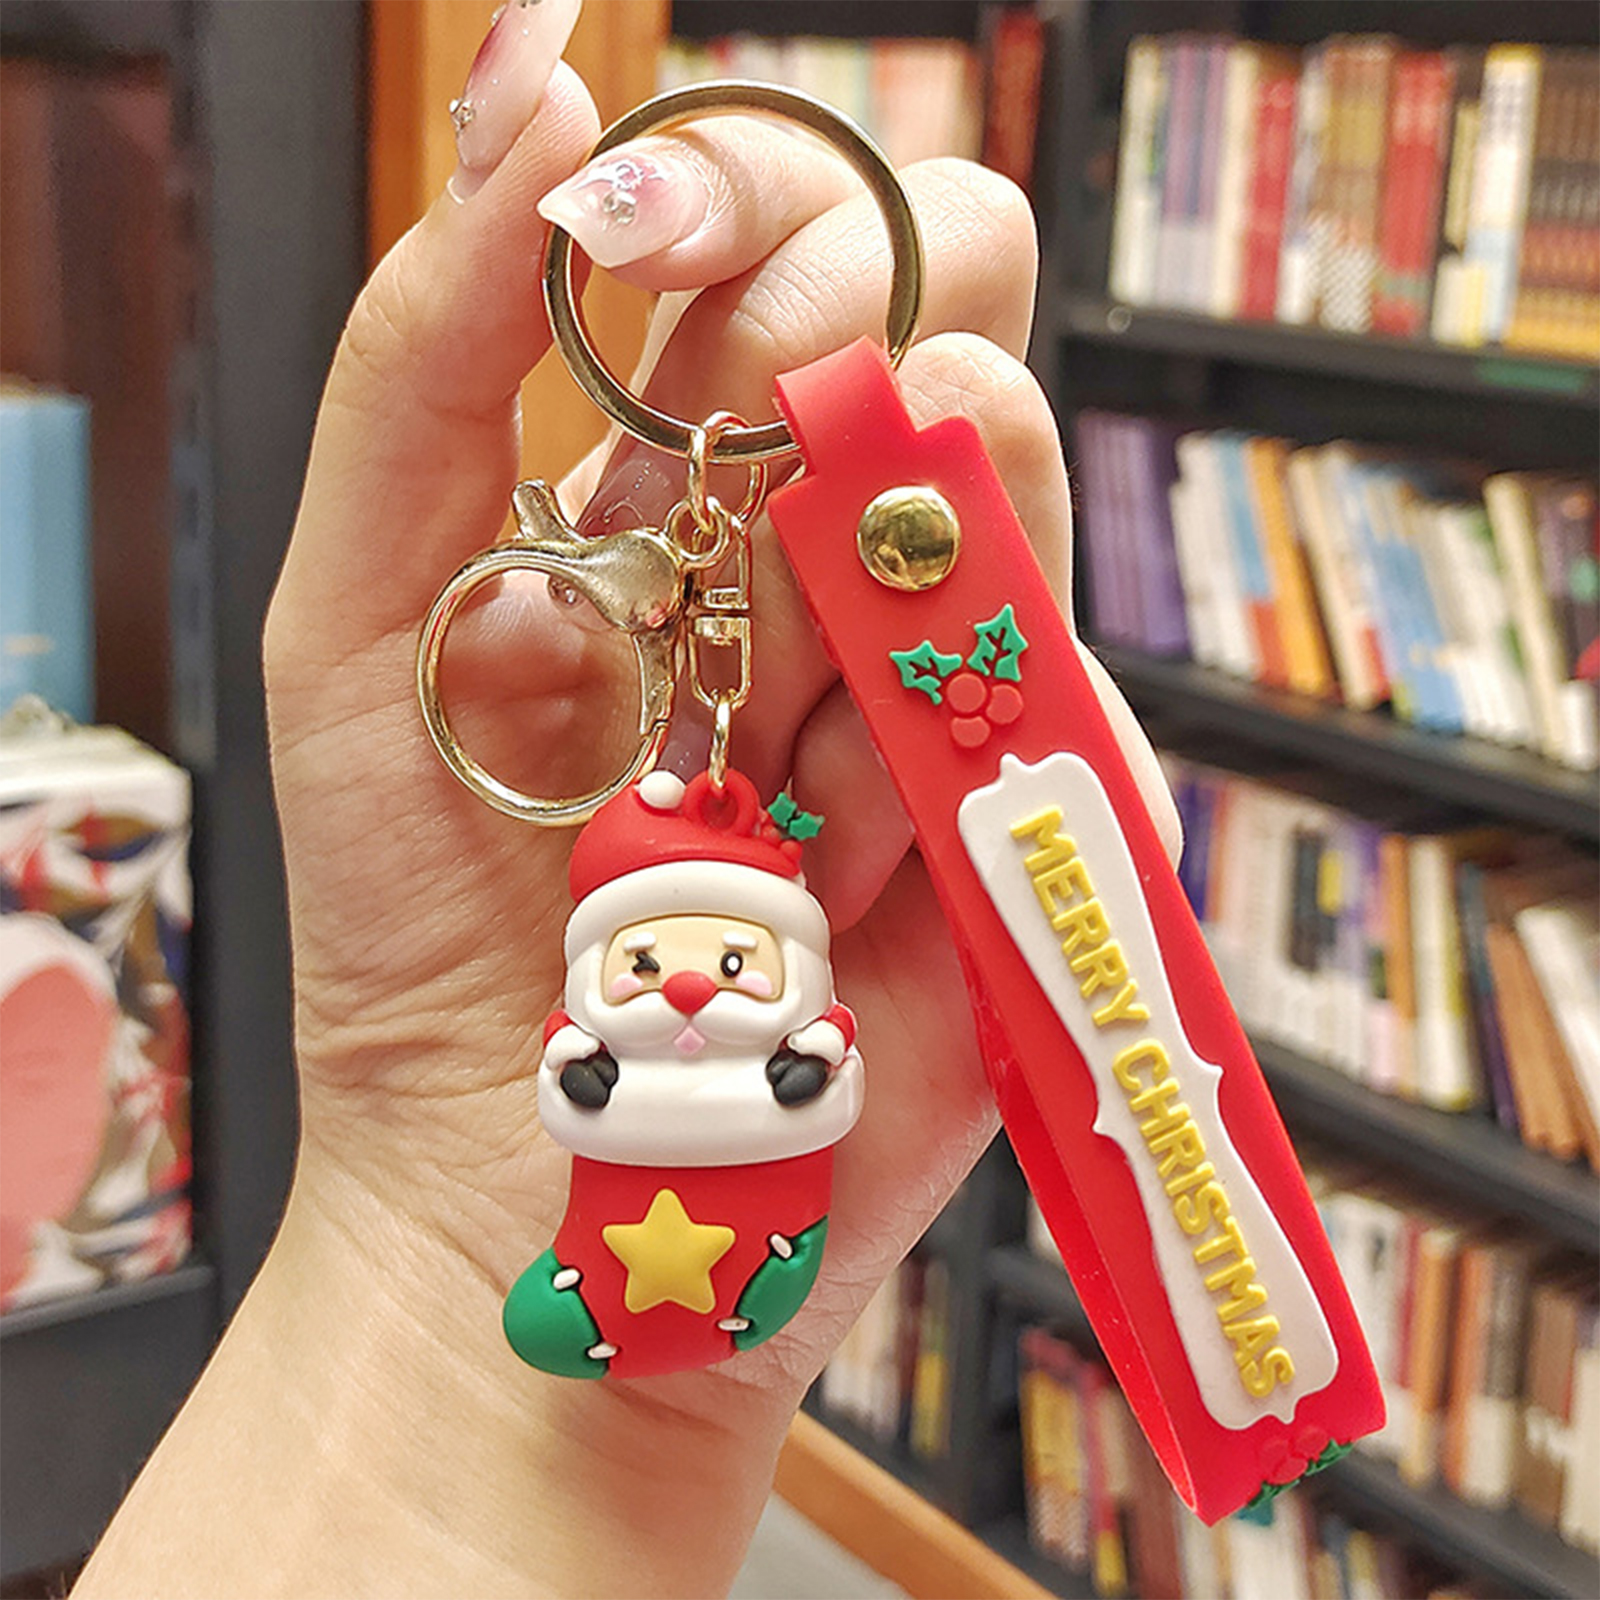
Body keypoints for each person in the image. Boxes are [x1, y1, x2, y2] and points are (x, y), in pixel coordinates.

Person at [73, 2, 1178, 1593]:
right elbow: (572, 1093)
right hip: (599, 1264)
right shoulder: (593, 1057)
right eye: (657, 959)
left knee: (952, 400)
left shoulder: (775, 1045)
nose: (690, 986)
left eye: (718, 962)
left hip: (721, 1262)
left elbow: (796, 1081)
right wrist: (423, 1260)